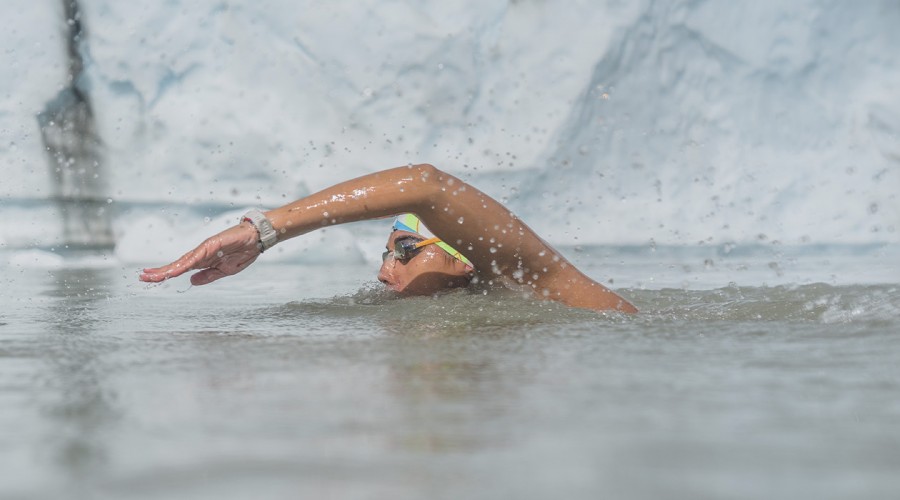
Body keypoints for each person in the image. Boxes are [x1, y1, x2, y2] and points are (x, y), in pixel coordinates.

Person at [139, 164, 638, 313]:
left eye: (404, 252)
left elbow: (425, 184)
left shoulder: (539, 284)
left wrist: (264, 231)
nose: (384, 271)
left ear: (466, 258)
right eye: (385, 254)